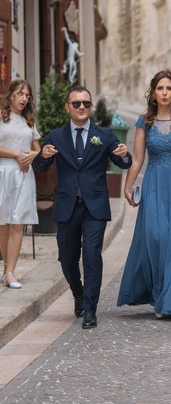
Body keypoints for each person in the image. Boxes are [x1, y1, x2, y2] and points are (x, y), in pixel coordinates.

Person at [33, 86, 131, 329]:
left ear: (91, 107)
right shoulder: (55, 136)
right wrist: (43, 156)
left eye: (86, 104)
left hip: (95, 206)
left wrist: (125, 154)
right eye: (76, 103)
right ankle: (78, 293)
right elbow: (39, 167)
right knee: (67, 259)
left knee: (91, 256)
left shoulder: (105, 135)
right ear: (68, 107)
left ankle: (90, 308)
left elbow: (122, 161)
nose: (81, 108)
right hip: (67, 206)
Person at [117, 70, 171, 318]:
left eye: (169, 88)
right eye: (160, 88)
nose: (165, 93)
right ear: (153, 93)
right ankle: (159, 292)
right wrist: (128, 185)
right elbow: (137, 159)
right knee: (157, 237)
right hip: (155, 183)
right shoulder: (144, 121)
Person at [0, 80, 41, 289]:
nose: (25, 98)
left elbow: (37, 148)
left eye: (28, 95)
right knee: (3, 223)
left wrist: (29, 157)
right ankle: (7, 266)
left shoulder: (29, 122)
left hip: (23, 174)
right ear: (11, 96)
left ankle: (10, 272)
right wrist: (17, 154)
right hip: (3, 172)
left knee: (17, 223)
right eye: (21, 94)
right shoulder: (1, 117)